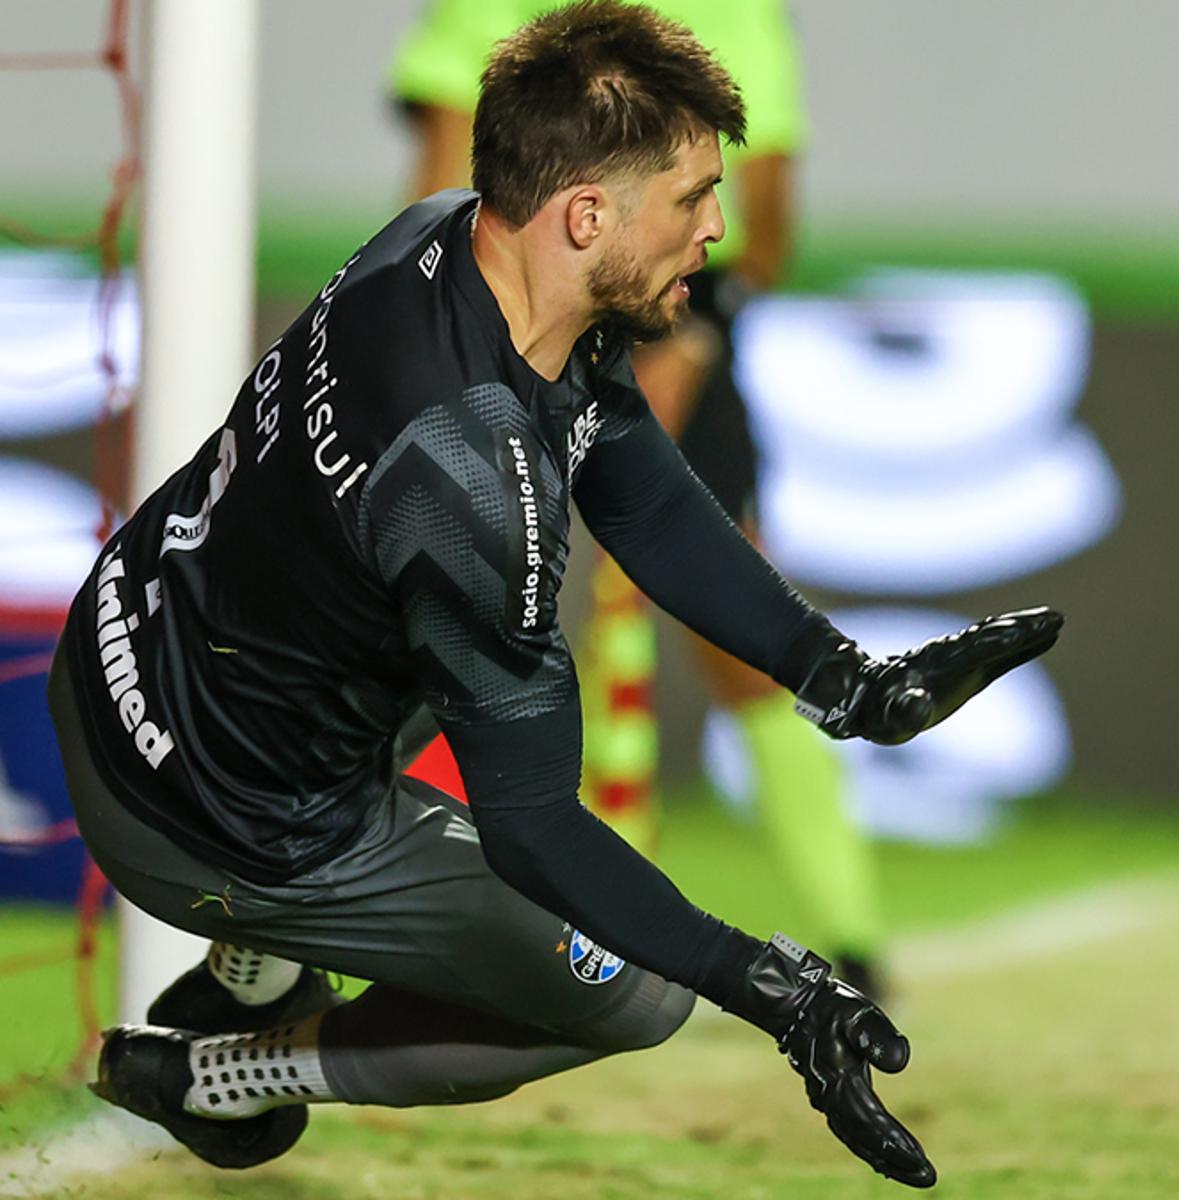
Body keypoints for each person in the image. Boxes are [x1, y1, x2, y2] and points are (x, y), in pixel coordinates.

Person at [51, 2, 1061, 1187]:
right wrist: (772, 989)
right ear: (588, 215)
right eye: (690, 200)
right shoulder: (469, 485)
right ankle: (230, 1070)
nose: (719, 231)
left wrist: (843, 679)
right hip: (205, 823)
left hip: (130, 637)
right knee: (637, 999)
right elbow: (536, 831)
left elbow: (638, 490)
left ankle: (253, 961)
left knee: (386, 631)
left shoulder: (444, 240)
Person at [392, 0, 890, 995]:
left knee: (738, 623)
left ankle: (856, 934)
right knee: (423, 612)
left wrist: (690, 337)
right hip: (499, 319)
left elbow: (761, 220)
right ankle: (368, 914)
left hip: (671, 315)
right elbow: (443, 185)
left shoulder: (734, 13)